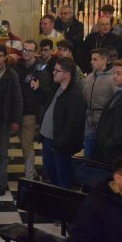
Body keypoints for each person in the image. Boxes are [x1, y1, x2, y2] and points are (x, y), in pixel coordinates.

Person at [39, 57, 86, 187]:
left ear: (67, 74)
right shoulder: (56, 87)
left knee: (62, 175)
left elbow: (72, 124)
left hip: (60, 143)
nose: (53, 73)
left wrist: (59, 143)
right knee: (50, 171)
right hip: (48, 138)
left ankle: (64, 202)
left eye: (57, 71)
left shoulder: (75, 95)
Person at [13, 40, 53, 181]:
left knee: (27, 143)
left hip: (31, 110)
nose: (26, 52)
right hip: (17, 110)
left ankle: (29, 174)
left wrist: (40, 85)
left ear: (35, 53)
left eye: (30, 50)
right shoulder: (17, 66)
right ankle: (32, 171)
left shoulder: (40, 67)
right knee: (23, 142)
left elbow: (48, 89)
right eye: (24, 49)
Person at [0, 44, 22, 195]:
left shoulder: (11, 74)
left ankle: (2, 183)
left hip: (4, 118)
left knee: (2, 151)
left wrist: (16, 120)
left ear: (5, 57)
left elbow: (17, 98)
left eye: (0, 56)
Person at [83, 48, 115, 159]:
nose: (91, 62)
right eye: (91, 59)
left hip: (104, 123)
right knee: (88, 155)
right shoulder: (90, 77)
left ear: (104, 60)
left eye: (95, 59)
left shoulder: (113, 79)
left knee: (103, 156)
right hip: (89, 122)